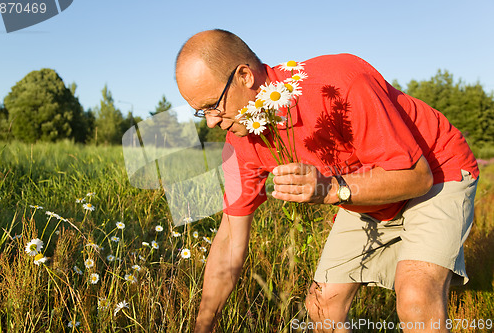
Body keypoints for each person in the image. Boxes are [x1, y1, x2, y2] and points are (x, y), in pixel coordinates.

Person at [175, 29, 479, 333]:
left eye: (214, 104)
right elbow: (229, 237)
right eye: (201, 112)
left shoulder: (338, 81)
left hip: (436, 171)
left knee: (415, 294)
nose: (212, 121)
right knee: (322, 308)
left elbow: (417, 177)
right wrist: (204, 325)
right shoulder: (238, 142)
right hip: (363, 192)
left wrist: (332, 187)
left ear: (245, 76)